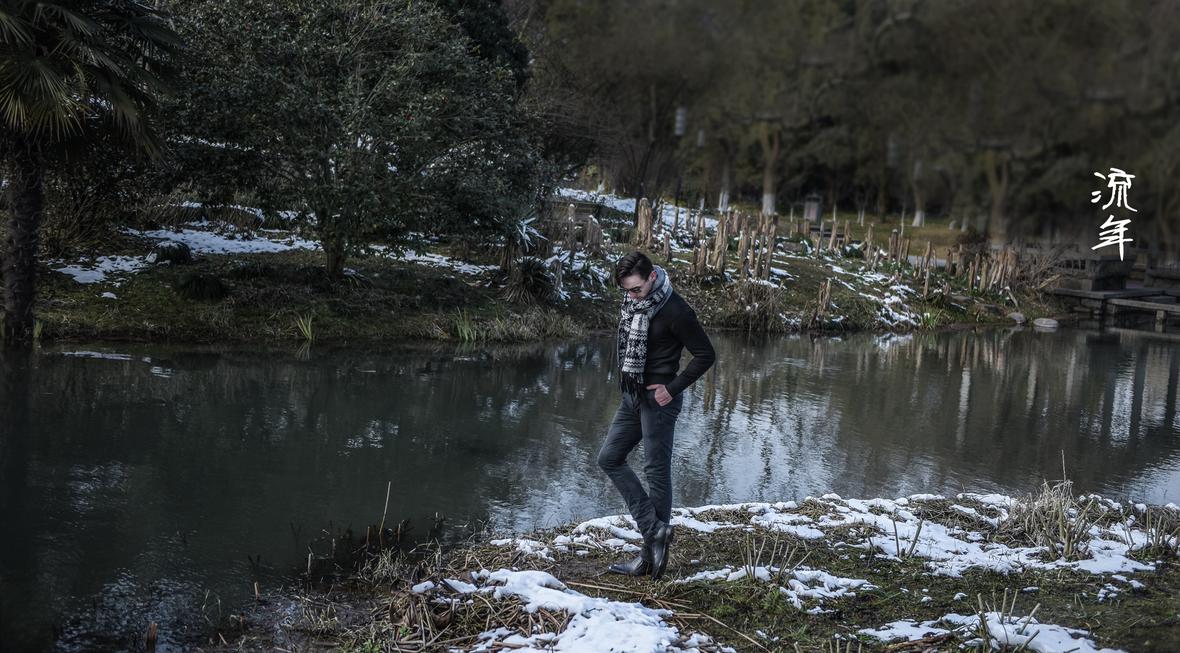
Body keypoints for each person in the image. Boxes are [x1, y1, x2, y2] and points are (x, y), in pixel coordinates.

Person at [597, 251, 715, 580]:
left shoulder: (676, 310)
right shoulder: (635, 304)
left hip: (660, 401)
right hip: (633, 396)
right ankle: (655, 530)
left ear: (652, 277)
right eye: (626, 291)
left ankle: (649, 558)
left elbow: (705, 354)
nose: (632, 296)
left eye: (636, 289)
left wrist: (672, 389)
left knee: (656, 472)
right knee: (609, 458)